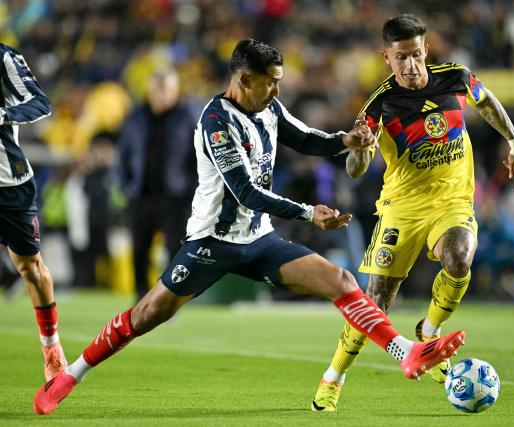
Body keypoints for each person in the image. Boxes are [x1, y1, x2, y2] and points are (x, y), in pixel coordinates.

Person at [33, 39, 465, 415]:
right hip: (210, 243)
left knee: (340, 279)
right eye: (271, 82)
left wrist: (344, 140)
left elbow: (304, 137)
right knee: (146, 315)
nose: (277, 90)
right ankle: (71, 375)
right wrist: (307, 212)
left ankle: (407, 354)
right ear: (243, 80)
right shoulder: (216, 123)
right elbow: (244, 191)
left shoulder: (269, 105)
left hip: (258, 240)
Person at [312, 14, 514, 411]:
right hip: (401, 210)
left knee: (460, 257)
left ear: (426, 50)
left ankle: (429, 333)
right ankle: (333, 375)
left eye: (415, 55)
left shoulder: (456, 77)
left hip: (452, 202)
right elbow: (356, 171)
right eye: (400, 58)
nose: (409, 66)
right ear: (386, 58)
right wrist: (359, 150)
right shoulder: (379, 104)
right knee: (375, 304)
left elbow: (488, 101)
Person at [0, 43, 67, 381]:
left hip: (9, 183)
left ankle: (51, 347)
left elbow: (40, 102)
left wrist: (3, 114)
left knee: (30, 268)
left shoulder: (4, 57)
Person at [118, 68, 198, 300]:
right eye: (158, 88)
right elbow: (123, 154)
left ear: (176, 91)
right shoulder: (136, 117)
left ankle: (166, 300)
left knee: (174, 250)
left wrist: (192, 189)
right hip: (141, 195)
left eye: (166, 89)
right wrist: (125, 185)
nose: (161, 94)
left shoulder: (187, 117)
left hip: (175, 197)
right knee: (139, 251)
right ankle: (141, 299)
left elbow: (198, 157)